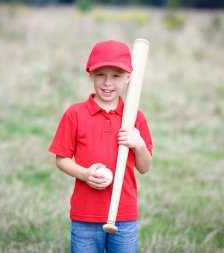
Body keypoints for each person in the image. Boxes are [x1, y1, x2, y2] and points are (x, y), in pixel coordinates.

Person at [48, 40, 153, 253]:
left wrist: (138, 143)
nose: (107, 83)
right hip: (85, 215)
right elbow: (62, 159)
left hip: (124, 214)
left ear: (128, 78)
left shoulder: (135, 118)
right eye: (100, 75)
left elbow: (145, 167)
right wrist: (85, 174)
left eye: (116, 76)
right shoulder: (75, 114)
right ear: (91, 75)